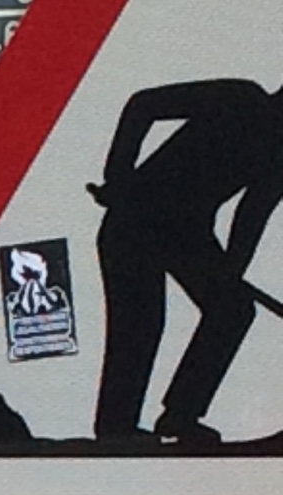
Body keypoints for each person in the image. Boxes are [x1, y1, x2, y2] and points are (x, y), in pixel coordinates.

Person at [89, 78, 283, 447]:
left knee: (232, 310)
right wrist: (118, 178)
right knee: (140, 322)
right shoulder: (239, 98)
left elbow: (252, 215)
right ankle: (116, 429)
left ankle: (181, 413)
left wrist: (231, 273)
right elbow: (142, 103)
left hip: (187, 234)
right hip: (135, 219)